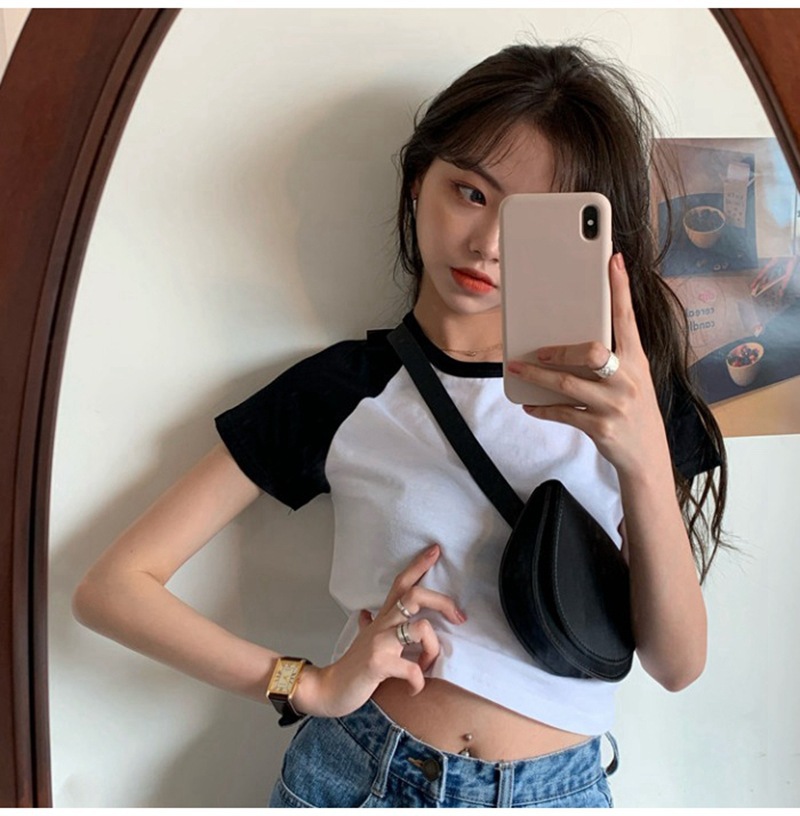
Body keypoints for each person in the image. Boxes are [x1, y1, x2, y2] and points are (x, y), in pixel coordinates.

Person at [73, 42, 727, 808]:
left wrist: (642, 454)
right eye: (471, 193)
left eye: (529, 220)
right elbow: (112, 588)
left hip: (560, 790)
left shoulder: (631, 398)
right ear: (419, 182)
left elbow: (677, 665)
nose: (487, 244)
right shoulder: (345, 388)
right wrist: (305, 684)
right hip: (363, 776)